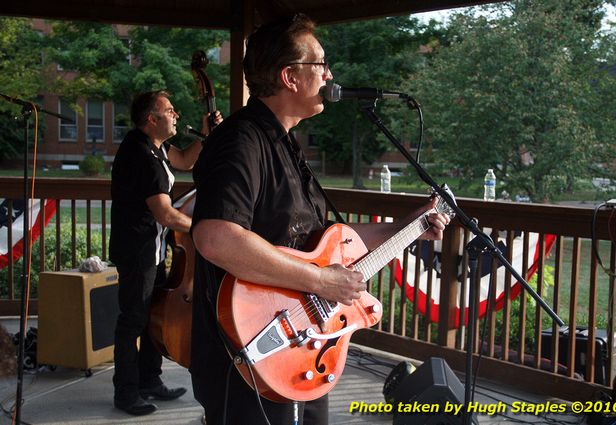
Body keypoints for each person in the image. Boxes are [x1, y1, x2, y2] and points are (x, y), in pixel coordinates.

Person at [189, 13, 450, 425]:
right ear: (290, 76)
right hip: (251, 353)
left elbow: (326, 243)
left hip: (303, 349)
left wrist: (408, 226)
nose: (329, 74)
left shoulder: (286, 142)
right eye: (321, 64)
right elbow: (216, 238)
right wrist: (321, 281)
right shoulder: (241, 141)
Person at [109, 90, 222, 416]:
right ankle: (126, 393)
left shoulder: (153, 147)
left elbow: (186, 160)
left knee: (148, 317)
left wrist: (205, 133)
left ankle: (150, 381)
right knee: (132, 321)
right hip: (137, 251)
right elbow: (166, 214)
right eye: (169, 111)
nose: (175, 115)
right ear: (151, 120)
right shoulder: (142, 156)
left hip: (151, 249)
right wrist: (200, 227)